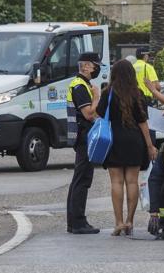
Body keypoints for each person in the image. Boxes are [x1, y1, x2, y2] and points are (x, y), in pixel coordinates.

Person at [96, 60, 158, 236]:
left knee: (116, 182)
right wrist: (150, 146)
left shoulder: (108, 93)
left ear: (114, 74)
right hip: (134, 140)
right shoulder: (137, 93)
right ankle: (130, 221)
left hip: (113, 140)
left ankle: (118, 222)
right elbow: (143, 123)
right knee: (132, 181)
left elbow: (99, 115)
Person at [66, 53, 102, 234]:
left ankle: (74, 221)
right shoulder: (80, 86)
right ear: (86, 66)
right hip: (83, 136)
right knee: (82, 179)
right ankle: (77, 222)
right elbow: (88, 113)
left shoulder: (81, 84)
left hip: (82, 135)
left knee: (79, 179)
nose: (97, 69)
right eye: (95, 65)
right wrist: (97, 96)